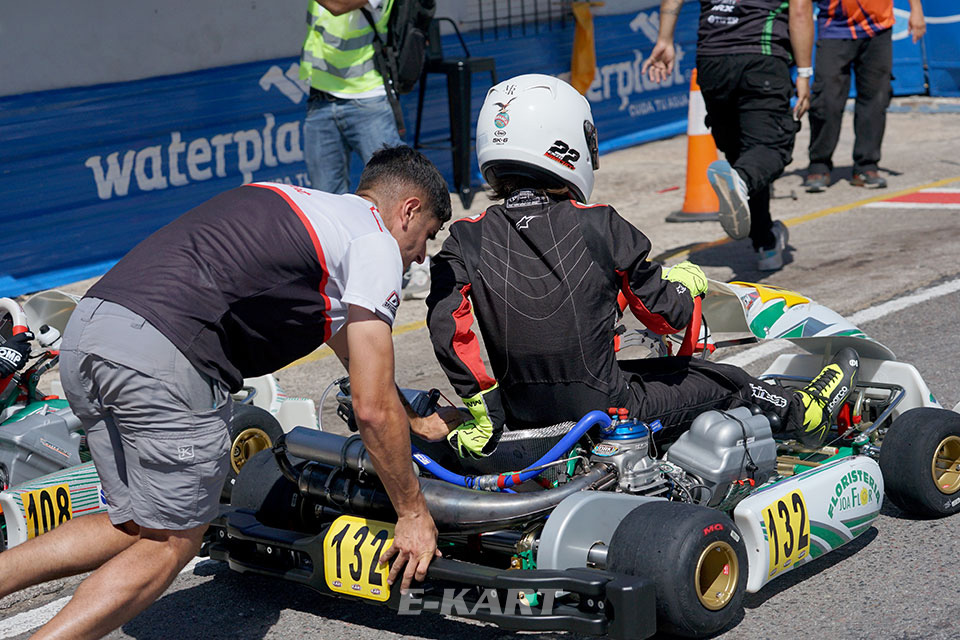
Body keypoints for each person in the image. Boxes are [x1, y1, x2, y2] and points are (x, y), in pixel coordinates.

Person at [0, 146, 453, 639]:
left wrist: (413, 420)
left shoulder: (304, 209)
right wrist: (412, 512)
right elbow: (370, 408)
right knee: (172, 541)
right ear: (408, 210)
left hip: (89, 332)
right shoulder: (375, 240)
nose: (420, 255)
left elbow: (362, 366)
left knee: (131, 524)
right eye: (427, 236)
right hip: (162, 354)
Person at [425, 74, 858, 465]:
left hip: (520, 415)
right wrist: (685, 286)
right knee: (726, 380)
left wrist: (484, 408)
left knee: (637, 372)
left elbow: (446, 325)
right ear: (564, 142)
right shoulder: (601, 224)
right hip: (609, 411)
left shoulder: (465, 237)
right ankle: (803, 414)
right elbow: (665, 316)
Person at [643, 0, 814, 272]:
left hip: (713, 61)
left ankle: (765, 242)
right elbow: (801, 10)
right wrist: (804, 72)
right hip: (761, 56)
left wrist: (664, 39)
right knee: (770, 148)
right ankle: (743, 185)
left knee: (744, 156)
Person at [803, 0, 926, 192]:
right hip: (834, 27)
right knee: (826, 99)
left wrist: (916, 10)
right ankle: (819, 164)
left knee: (876, 99)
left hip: (878, 28)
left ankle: (866, 166)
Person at [300, 0, 402, 195]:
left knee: (391, 189)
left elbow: (340, 5)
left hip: (368, 100)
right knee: (326, 197)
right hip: (320, 98)